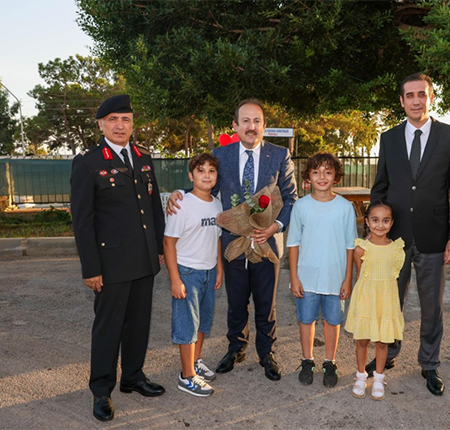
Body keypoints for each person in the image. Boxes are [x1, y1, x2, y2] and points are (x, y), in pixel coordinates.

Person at [168, 98, 297, 381]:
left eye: (257, 121)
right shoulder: (221, 155)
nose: (251, 126)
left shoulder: (279, 155)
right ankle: (236, 348)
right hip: (232, 244)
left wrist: (274, 227)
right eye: (246, 121)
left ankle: (267, 352)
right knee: (236, 301)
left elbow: (290, 198)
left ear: (264, 126)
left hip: (267, 244)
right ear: (235, 125)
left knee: (266, 303)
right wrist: (180, 193)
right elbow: (206, 188)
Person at [368, 73, 450, 396]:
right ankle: (388, 354)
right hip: (394, 238)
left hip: (434, 238)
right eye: (409, 95)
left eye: (421, 94)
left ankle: (429, 363)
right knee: (390, 302)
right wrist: (375, 231)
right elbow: (380, 187)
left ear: (431, 98)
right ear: (401, 101)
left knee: (431, 308)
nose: (416, 100)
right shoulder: (389, 138)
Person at [70, 94, 166, 421]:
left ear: (132, 123)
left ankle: (133, 377)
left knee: (139, 324)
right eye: (113, 120)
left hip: (143, 259)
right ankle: (101, 390)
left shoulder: (143, 157)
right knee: (108, 328)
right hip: (110, 264)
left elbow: (152, 207)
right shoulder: (88, 162)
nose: (120, 125)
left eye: (125, 119)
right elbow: (83, 221)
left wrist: (158, 248)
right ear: (101, 125)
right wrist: (91, 267)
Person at [287, 152, 357, 388]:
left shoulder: (345, 208)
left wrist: (348, 279)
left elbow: (350, 246)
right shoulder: (301, 206)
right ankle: (307, 360)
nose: (322, 177)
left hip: (335, 278)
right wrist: (294, 277)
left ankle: (330, 361)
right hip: (306, 277)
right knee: (306, 320)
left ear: (336, 176)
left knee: (332, 320)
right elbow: (293, 244)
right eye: (316, 172)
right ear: (308, 177)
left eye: (328, 172)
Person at [163, 153, 223, 397]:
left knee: (202, 322)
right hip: (187, 272)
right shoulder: (182, 204)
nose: (206, 175)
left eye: (211, 171)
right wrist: (175, 279)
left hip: (209, 271)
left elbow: (216, 238)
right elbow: (168, 243)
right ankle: (186, 376)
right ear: (191, 176)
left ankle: (195, 363)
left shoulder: (217, 204)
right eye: (201, 171)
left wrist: (218, 268)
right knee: (187, 325)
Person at [345, 201, 405, 400]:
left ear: (392, 223)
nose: (380, 225)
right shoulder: (361, 248)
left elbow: (393, 276)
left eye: (385, 220)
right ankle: (361, 375)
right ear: (368, 222)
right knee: (362, 339)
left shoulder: (396, 249)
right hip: (366, 298)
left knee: (382, 340)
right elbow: (360, 276)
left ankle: (378, 378)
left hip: (386, 300)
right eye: (375, 220)